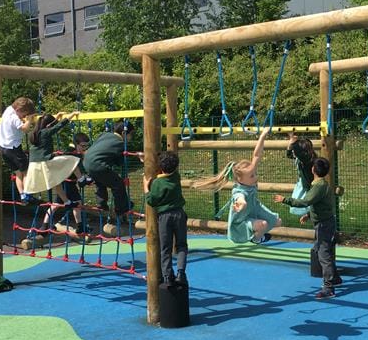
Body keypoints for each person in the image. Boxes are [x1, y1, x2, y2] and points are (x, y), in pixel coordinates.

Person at [194, 128, 281, 244]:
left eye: (255, 174)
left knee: (278, 221)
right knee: (263, 225)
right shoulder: (239, 191)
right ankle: (256, 239)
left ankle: (259, 233)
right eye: (252, 176)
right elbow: (240, 198)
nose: (255, 177)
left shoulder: (248, 176)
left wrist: (263, 135)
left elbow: (257, 155)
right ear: (240, 179)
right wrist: (242, 204)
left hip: (255, 209)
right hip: (242, 220)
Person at [274, 157, 337, 299]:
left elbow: (305, 201)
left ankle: (329, 287)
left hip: (324, 224)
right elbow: (321, 205)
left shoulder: (319, 187)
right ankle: (335, 278)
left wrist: (285, 200)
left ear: (313, 169)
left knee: (323, 254)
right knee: (324, 250)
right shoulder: (322, 185)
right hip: (325, 222)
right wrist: (308, 215)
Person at [143, 150, 188, 287]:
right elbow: (167, 171)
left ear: (160, 167)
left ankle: (167, 275)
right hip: (179, 214)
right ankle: (181, 273)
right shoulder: (176, 177)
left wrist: (146, 188)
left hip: (164, 217)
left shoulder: (157, 183)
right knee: (181, 245)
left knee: (165, 247)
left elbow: (151, 201)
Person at [24, 112, 84, 206]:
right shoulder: (45, 132)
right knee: (72, 160)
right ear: (48, 125)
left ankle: (67, 202)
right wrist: (72, 115)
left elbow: (41, 149)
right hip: (45, 162)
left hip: (34, 165)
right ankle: (81, 179)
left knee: (56, 182)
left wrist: (56, 117)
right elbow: (59, 126)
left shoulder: (33, 134)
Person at [82, 121, 133, 224]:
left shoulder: (103, 135)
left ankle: (101, 204)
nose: (131, 137)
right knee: (118, 184)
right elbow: (120, 162)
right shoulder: (120, 144)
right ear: (124, 133)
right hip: (99, 165)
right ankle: (121, 209)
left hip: (86, 162)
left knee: (100, 182)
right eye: (131, 134)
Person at [0, 96, 36, 205]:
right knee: (26, 171)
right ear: (19, 110)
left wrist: (23, 117)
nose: (24, 117)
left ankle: (22, 195)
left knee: (18, 172)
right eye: (24, 114)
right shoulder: (14, 118)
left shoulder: (8, 110)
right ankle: (27, 193)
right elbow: (25, 129)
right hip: (13, 148)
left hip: (3, 148)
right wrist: (29, 120)